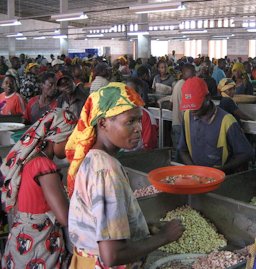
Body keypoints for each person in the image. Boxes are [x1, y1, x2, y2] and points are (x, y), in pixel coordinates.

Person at [66, 82, 184, 268]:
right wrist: (165, 237)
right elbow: (112, 255)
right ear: (103, 122)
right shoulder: (106, 170)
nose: (138, 128)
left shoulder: (94, 158)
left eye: (138, 120)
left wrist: (142, 227)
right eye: (130, 122)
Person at [1, 108, 77, 269]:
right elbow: (64, 217)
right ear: (56, 137)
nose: (73, 145)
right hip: (38, 245)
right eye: (70, 139)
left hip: (22, 241)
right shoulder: (43, 165)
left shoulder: (31, 161)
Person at [178, 77, 253, 174]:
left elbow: (247, 153)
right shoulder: (187, 116)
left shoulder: (227, 121)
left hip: (221, 181)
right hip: (196, 178)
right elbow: (183, 150)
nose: (193, 111)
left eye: (196, 106)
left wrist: (222, 169)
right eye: (189, 107)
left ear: (208, 97)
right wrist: (194, 170)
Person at [127, 78, 158, 149]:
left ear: (139, 94)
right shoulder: (117, 113)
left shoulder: (147, 117)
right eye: (125, 92)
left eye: (131, 92)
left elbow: (149, 147)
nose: (127, 96)